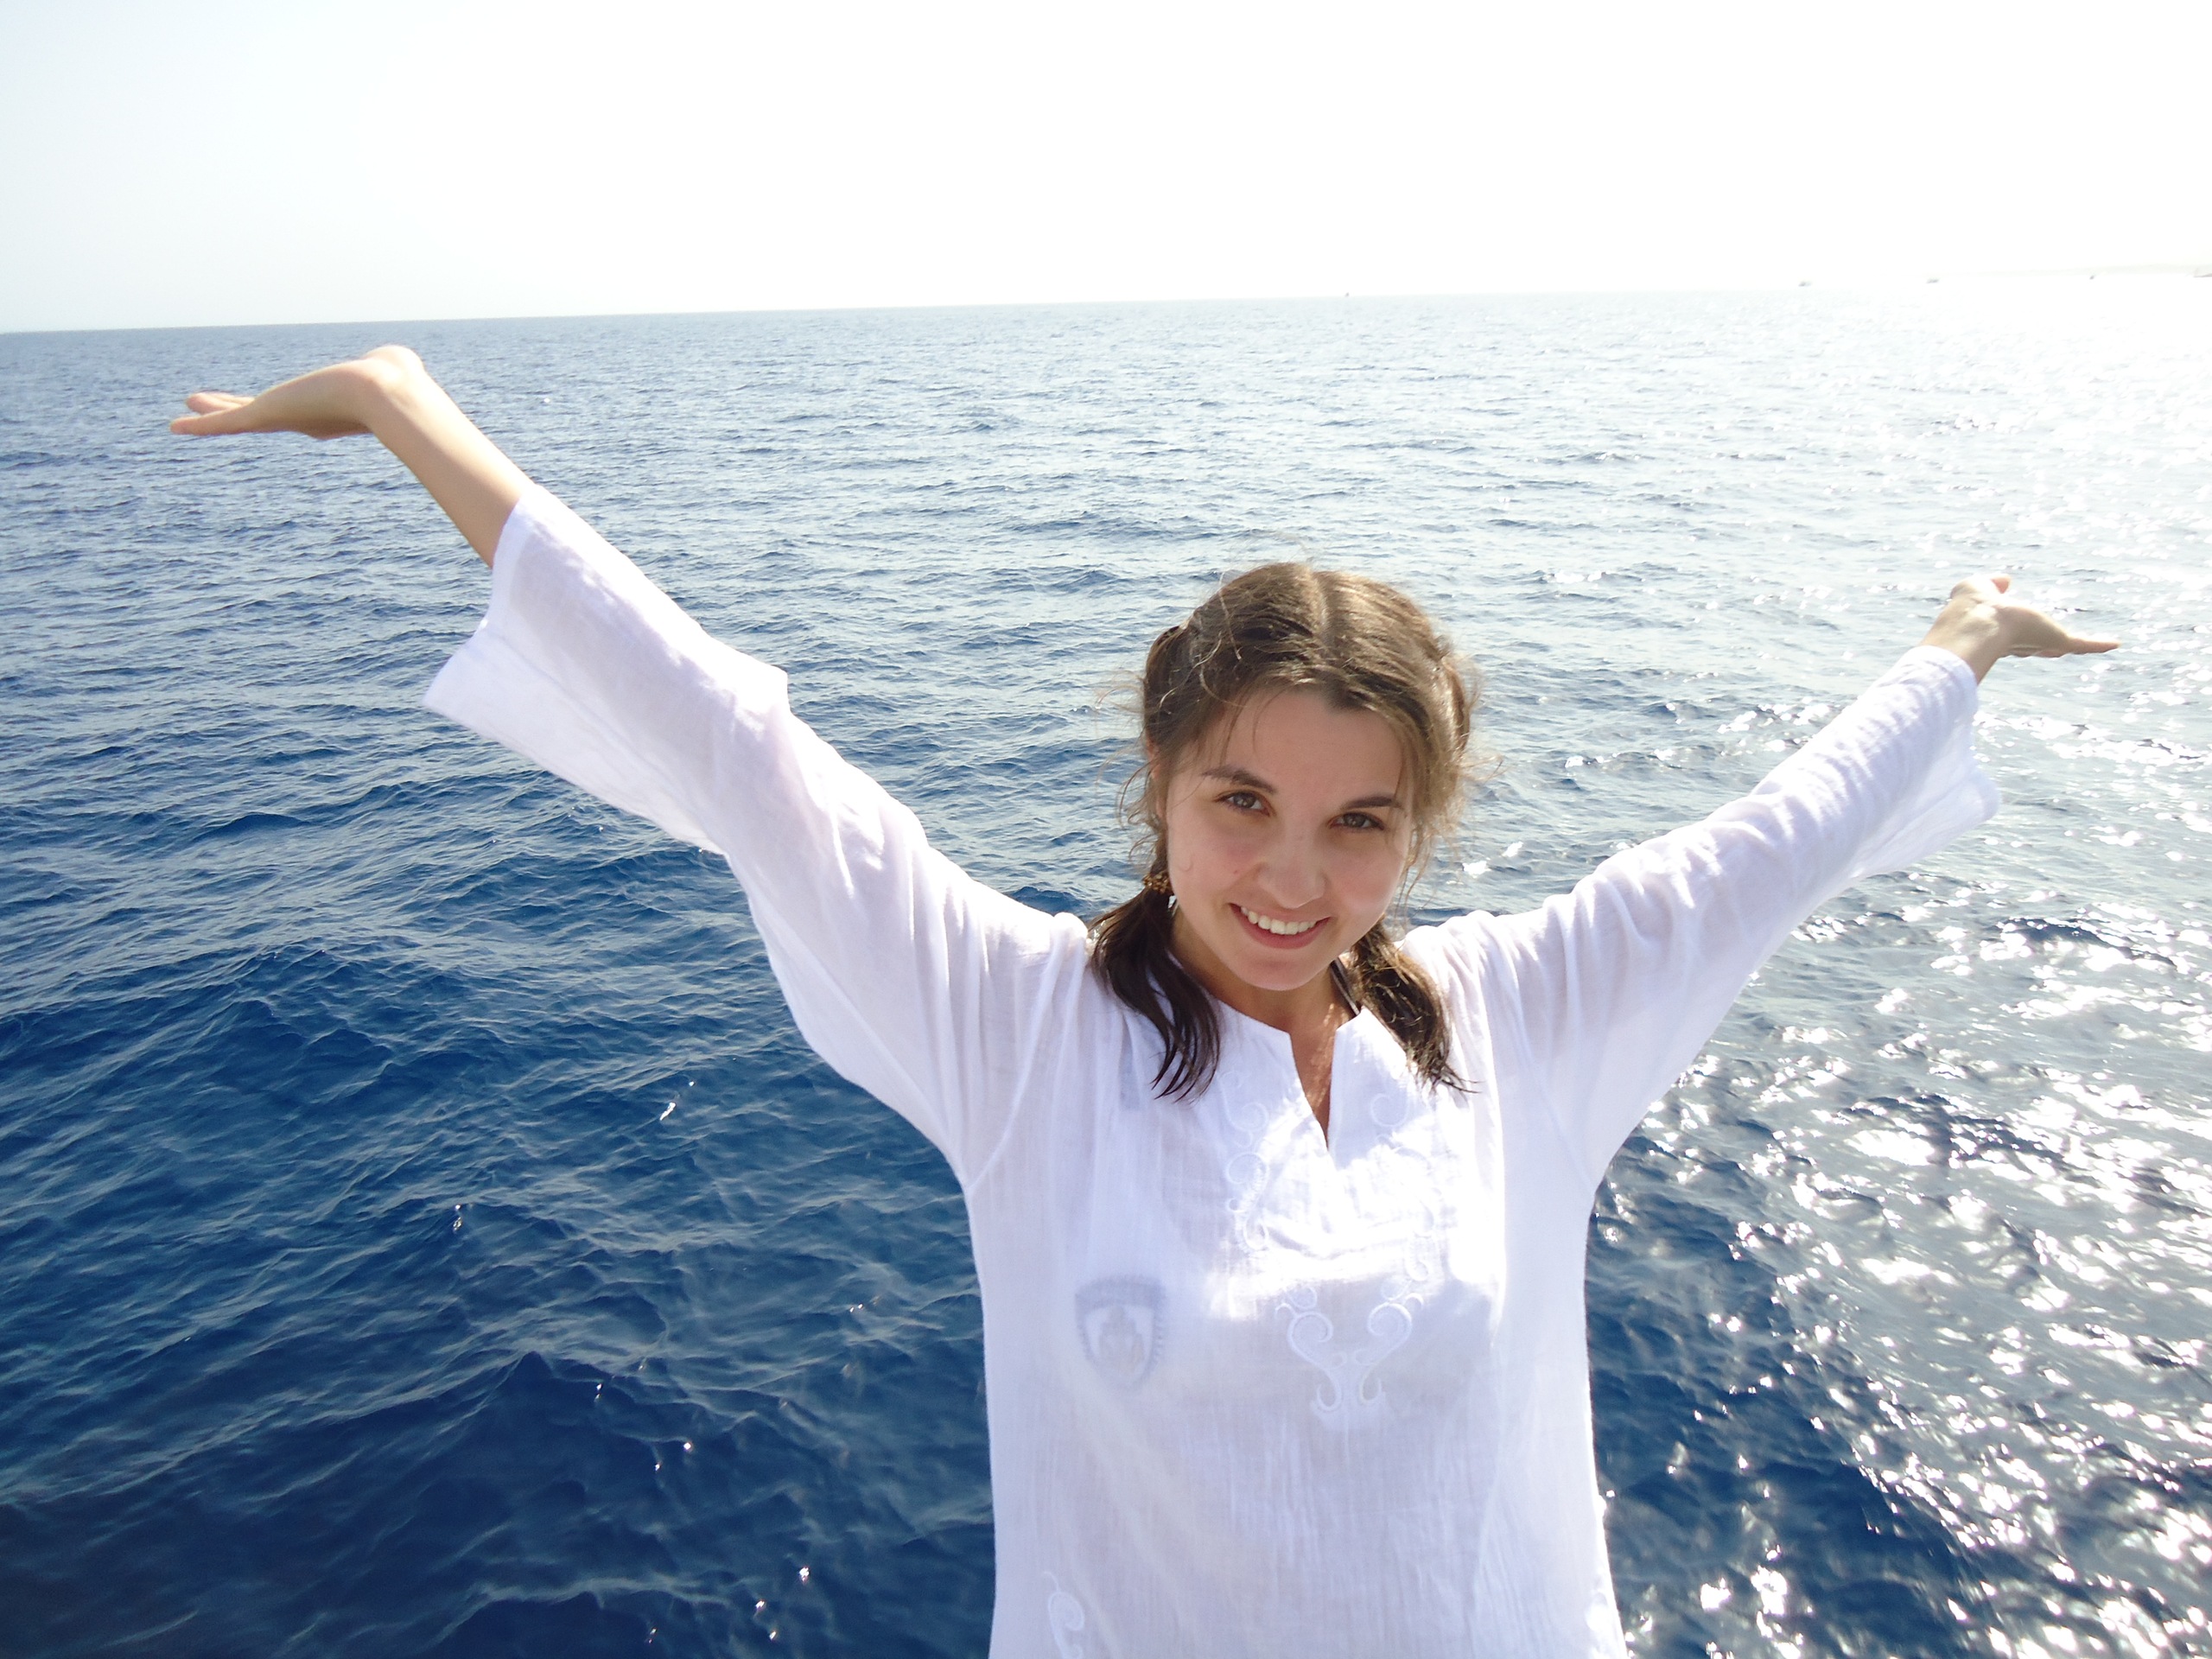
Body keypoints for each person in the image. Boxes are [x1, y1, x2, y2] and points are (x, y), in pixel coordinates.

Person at [173, 346, 2116, 1657]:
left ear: (1424, 830)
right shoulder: (1019, 1030)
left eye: (1360, 824)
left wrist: (1957, 643)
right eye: (1240, 803)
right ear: (1161, 788)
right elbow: (735, 745)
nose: (1291, 880)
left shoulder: (1528, 1014)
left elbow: (1775, 837)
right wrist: (408, 414)